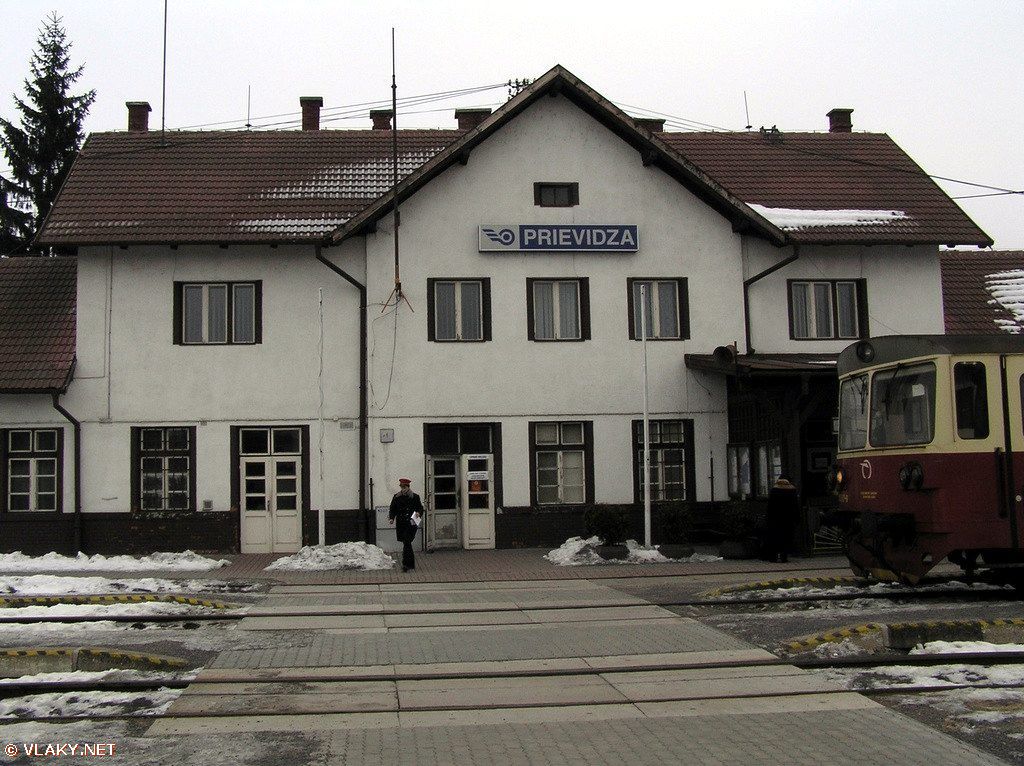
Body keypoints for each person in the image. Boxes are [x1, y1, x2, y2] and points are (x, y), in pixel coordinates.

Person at [389, 478, 423, 572]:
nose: (403, 489)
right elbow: (393, 509)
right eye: (401, 487)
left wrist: (419, 513)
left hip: (411, 523)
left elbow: (420, 508)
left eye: (404, 487)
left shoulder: (415, 497)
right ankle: (410, 564)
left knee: (407, 541)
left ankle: (405, 564)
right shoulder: (396, 497)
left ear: (408, 487)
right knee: (406, 543)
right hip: (401, 523)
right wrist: (392, 518)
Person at [765, 475, 800, 563]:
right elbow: (795, 506)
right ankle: (784, 557)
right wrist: (797, 518)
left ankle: (773, 557)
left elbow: (770, 507)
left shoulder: (774, 490)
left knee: (774, 538)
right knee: (786, 538)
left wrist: (768, 518)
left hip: (775, 519)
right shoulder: (792, 490)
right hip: (788, 519)